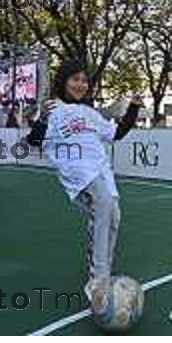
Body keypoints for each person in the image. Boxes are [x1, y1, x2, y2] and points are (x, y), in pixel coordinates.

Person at [27, 59, 142, 296]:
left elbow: (117, 133)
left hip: (101, 171)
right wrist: (42, 121)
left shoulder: (90, 113)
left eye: (84, 80)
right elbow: (34, 141)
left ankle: (102, 269)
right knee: (104, 207)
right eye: (75, 79)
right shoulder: (51, 108)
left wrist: (133, 108)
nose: (80, 84)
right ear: (63, 81)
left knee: (113, 218)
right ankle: (98, 281)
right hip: (79, 175)